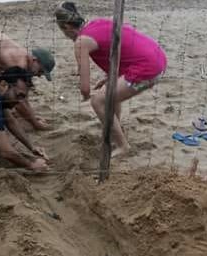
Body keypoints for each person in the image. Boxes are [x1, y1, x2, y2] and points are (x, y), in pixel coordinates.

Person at [55, 2, 167, 158]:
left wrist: (85, 95)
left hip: (146, 68)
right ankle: (116, 128)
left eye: (63, 31)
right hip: (158, 58)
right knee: (110, 90)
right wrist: (109, 77)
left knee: (98, 101)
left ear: (66, 27)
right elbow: (118, 49)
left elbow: (85, 88)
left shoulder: (81, 42)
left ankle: (123, 146)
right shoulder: (96, 23)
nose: (65, 36)